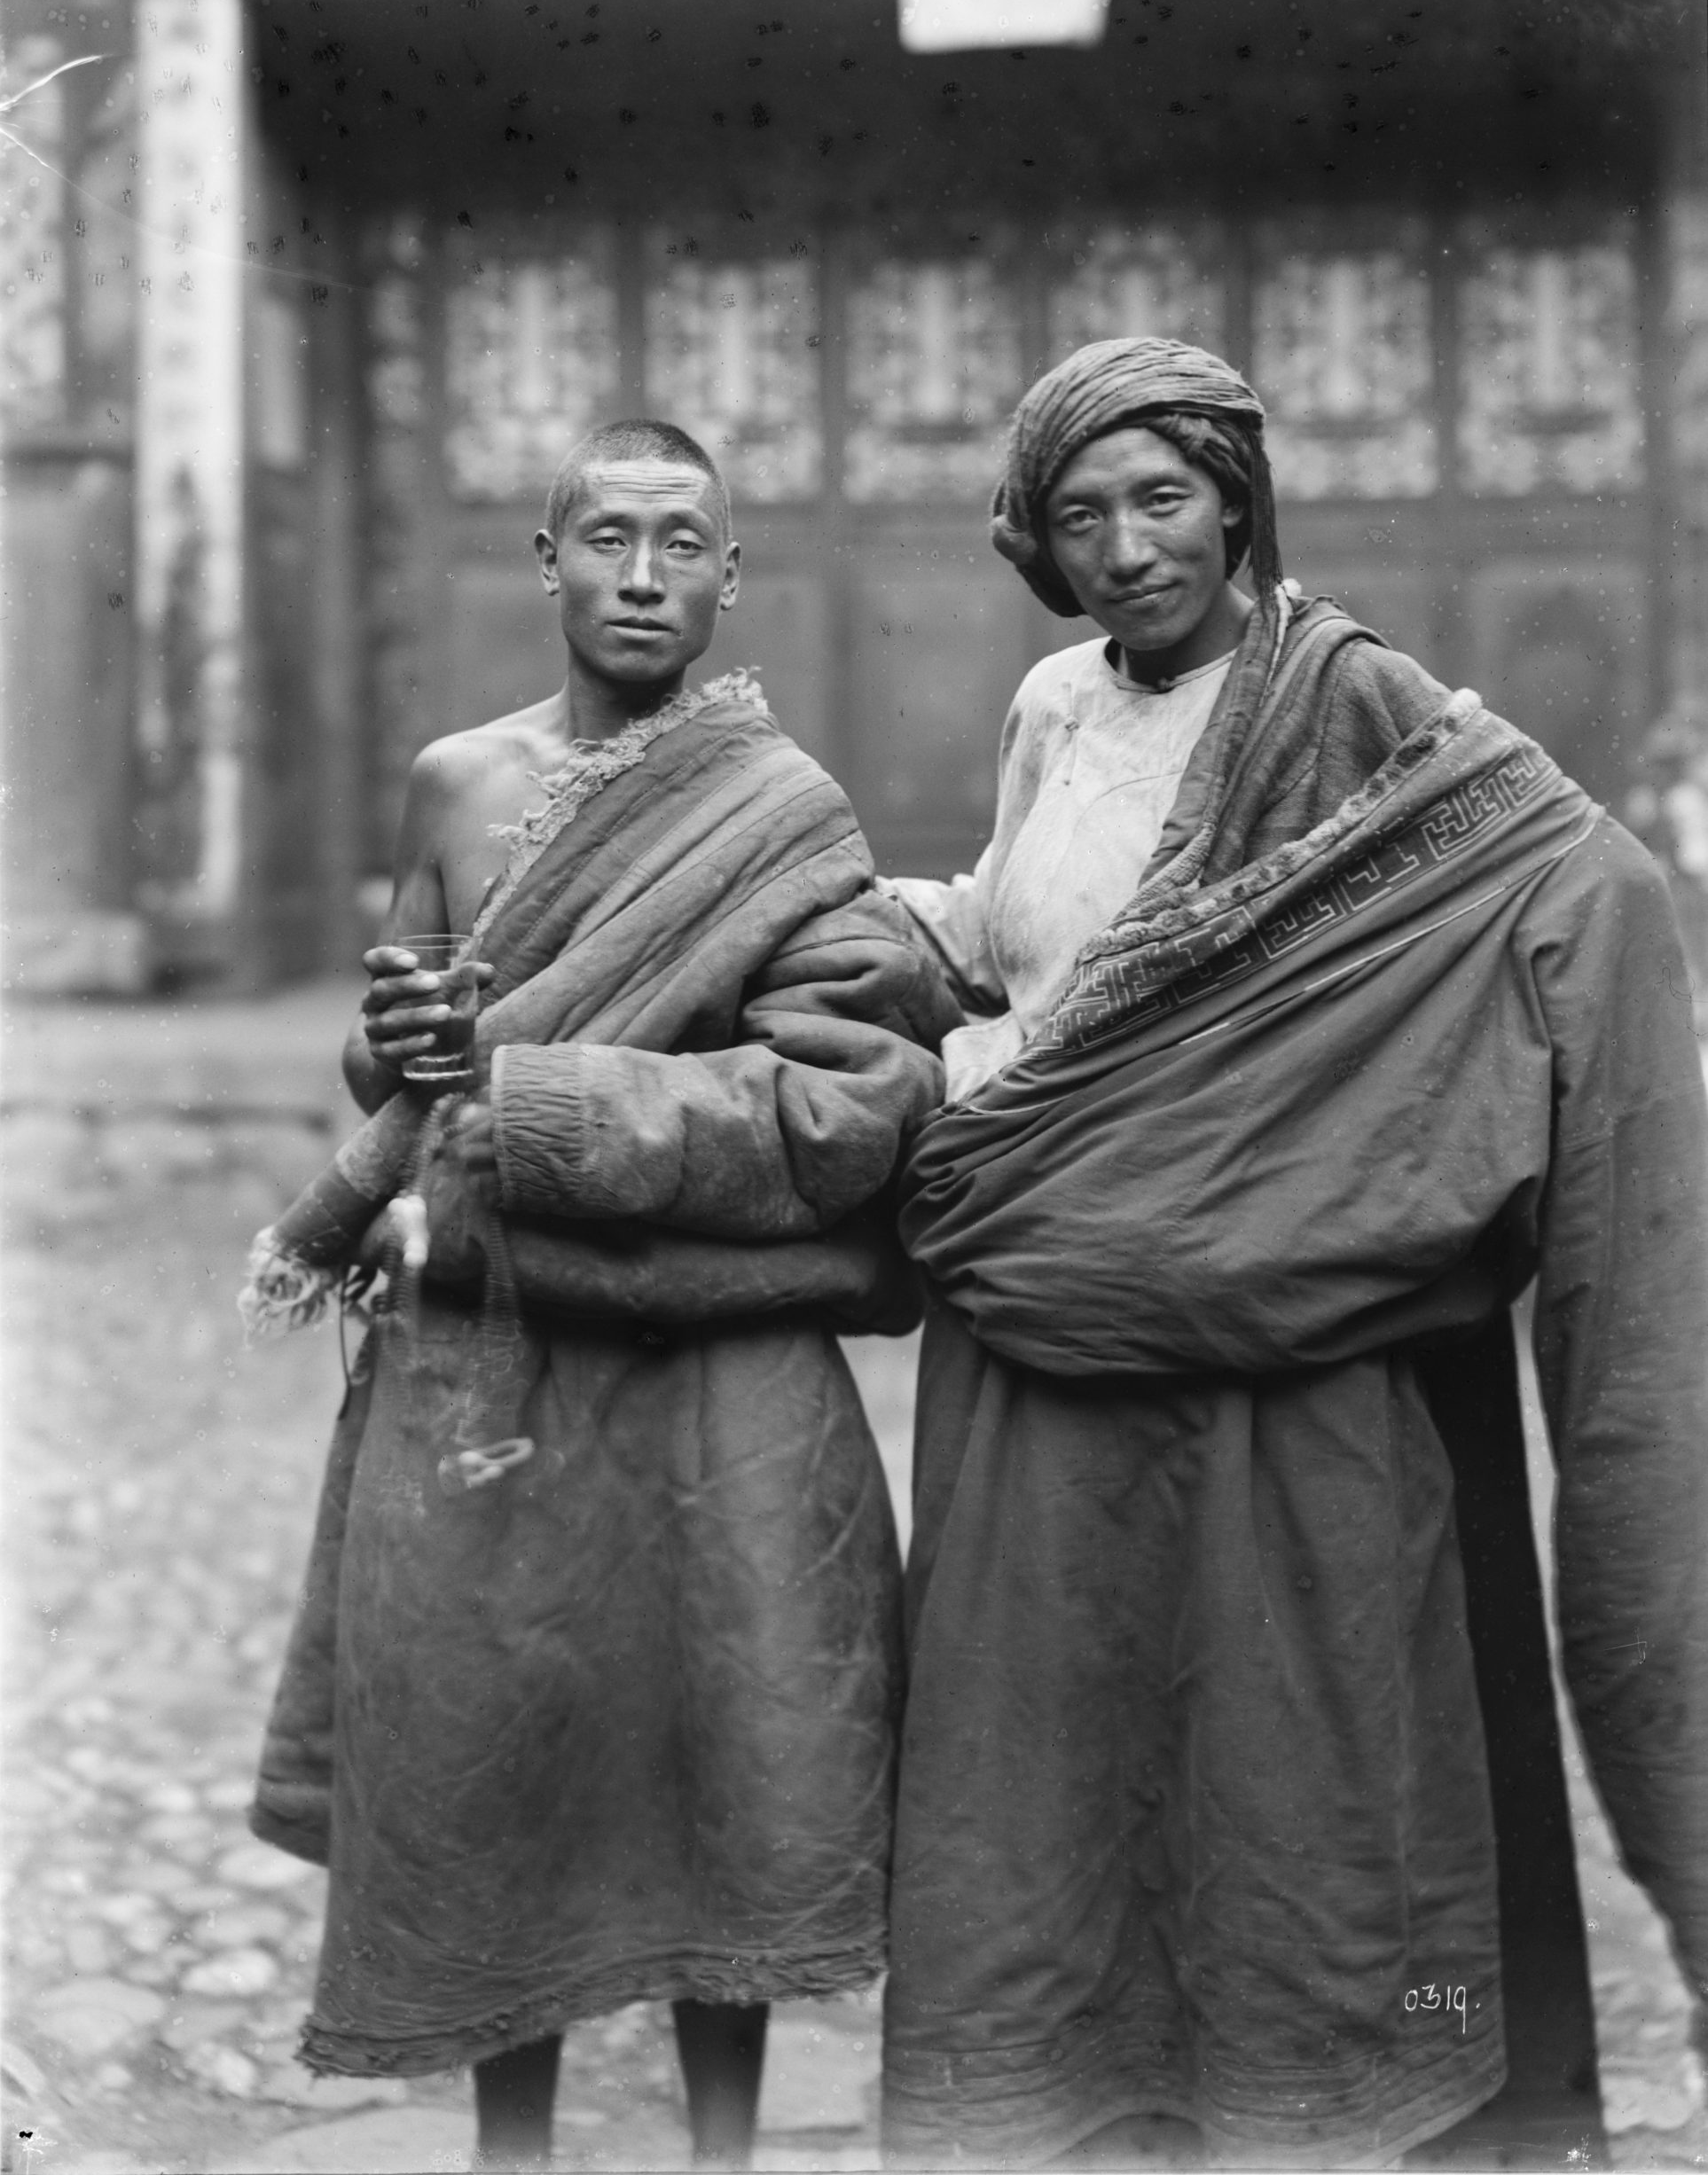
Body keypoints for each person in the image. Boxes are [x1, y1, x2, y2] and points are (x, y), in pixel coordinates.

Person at [879, 340, 1708, 2169]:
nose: (1127, 548)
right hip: (1049, 1313)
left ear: (1235, 496)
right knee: (1067, 1750)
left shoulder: (1353, 700)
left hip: (1308, 1348)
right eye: (1082, 514)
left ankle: (1346, 2094)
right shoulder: (1050, 709)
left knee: (1304, 1752)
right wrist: (856, 932)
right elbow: (1028, 943)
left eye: (1162, 497)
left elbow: (1585, 888)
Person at [241, 420, 955, 2168]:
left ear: (732, 574)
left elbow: (839, 1100)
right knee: (505, 1726)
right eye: (608, 538)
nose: (644, 575)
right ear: (544, 559)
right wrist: (399, 1037)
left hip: (714, 1347)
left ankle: (725, 2142)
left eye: (681, 543)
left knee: (745, 1722)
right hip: (493, 1347)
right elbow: (401, 1065)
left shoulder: (785, 811)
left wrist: (546, 1099)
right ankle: (517, 2144)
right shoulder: (456, 783)